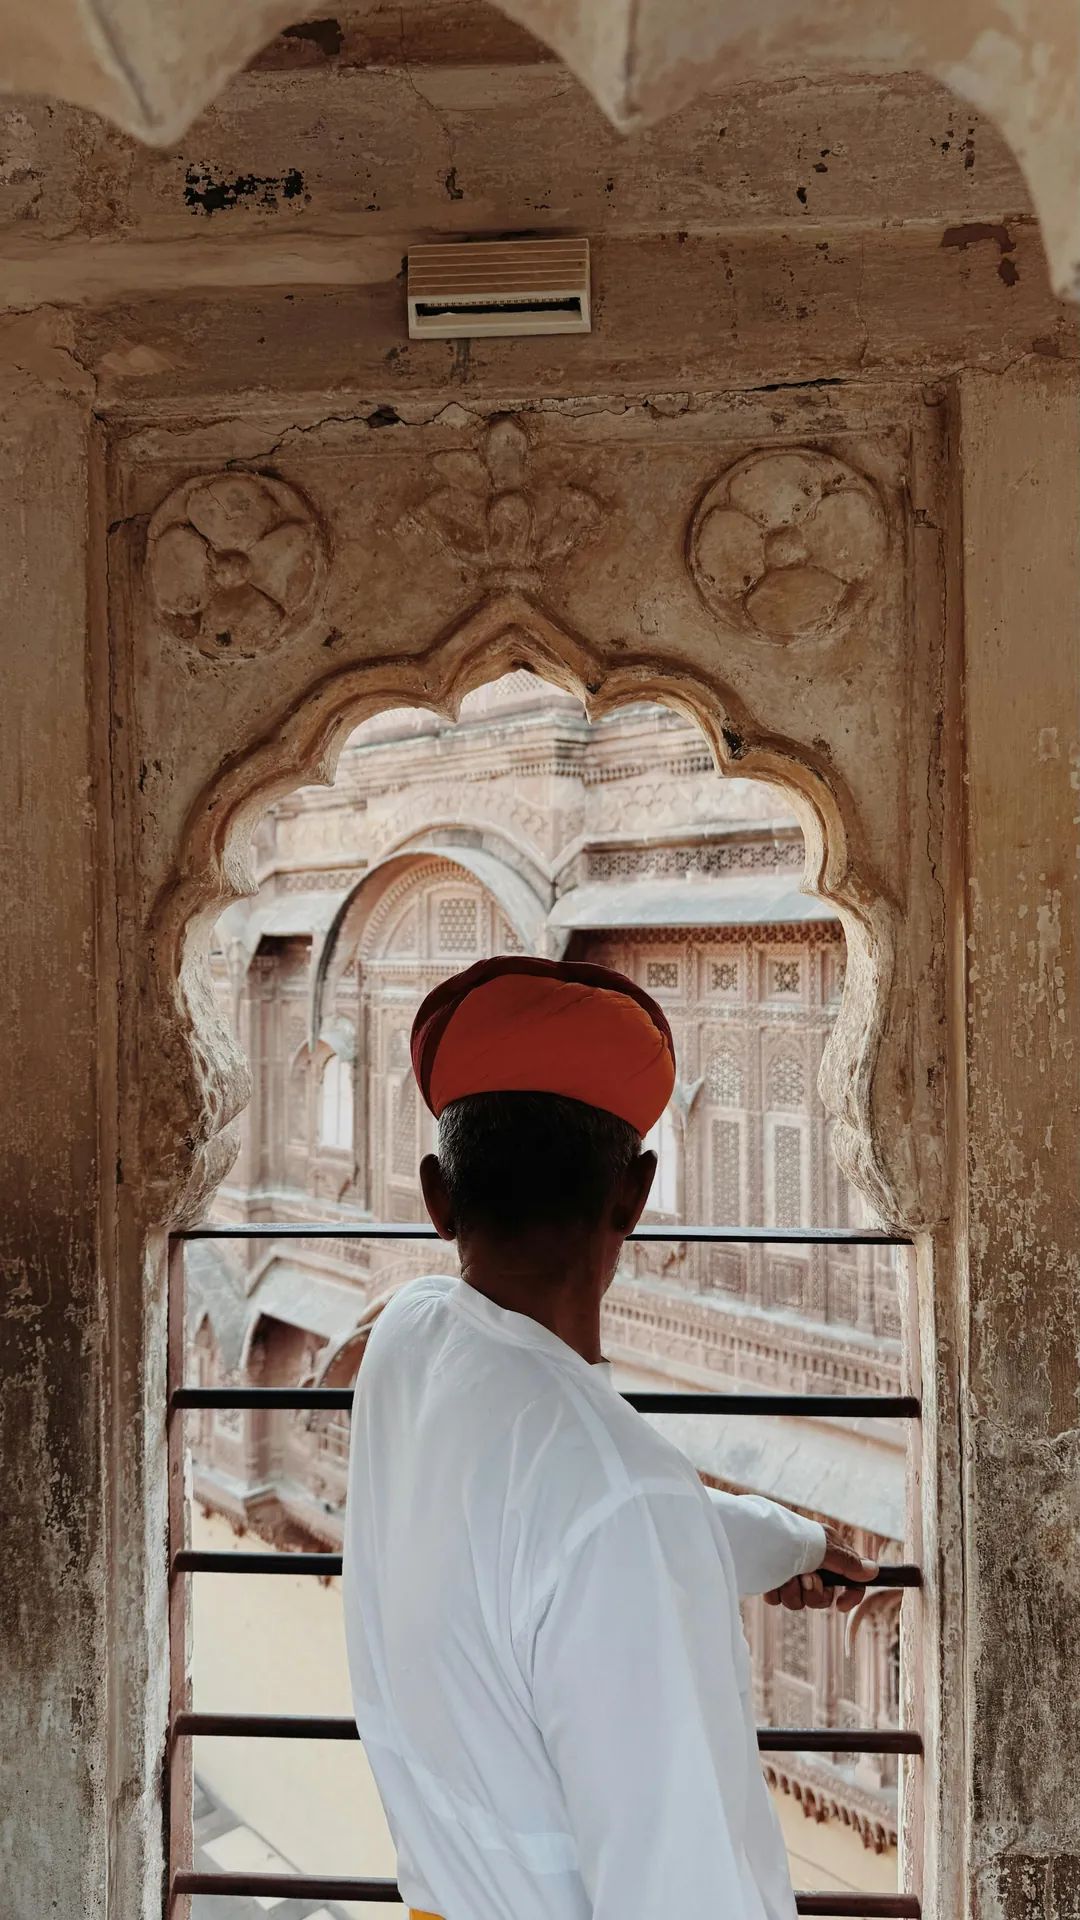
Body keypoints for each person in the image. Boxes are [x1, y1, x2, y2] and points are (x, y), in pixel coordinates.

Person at [342, 956, 878, 1920]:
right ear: (635, 1196)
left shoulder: (408, 1341)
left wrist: (785, 1542)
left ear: (437, 1197)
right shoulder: (616, 1490)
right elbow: (680, 1890)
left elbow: (555, 1530)